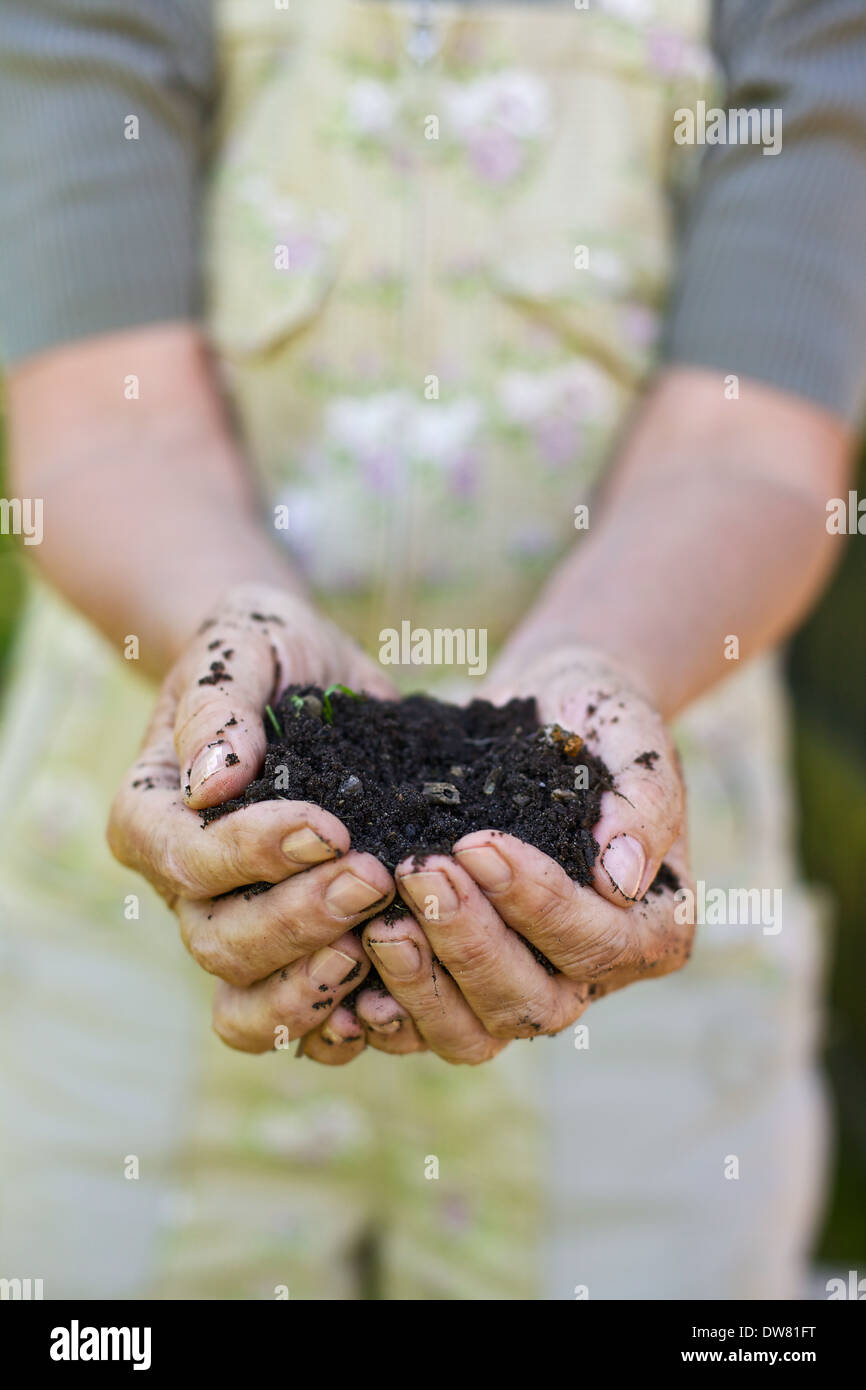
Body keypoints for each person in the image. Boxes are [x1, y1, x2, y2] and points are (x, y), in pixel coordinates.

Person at [0, 0, 863, 1300]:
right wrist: (227, 616)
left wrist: (595, 663)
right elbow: (103, 424)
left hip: (628, 922)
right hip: (139, 918)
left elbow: (751, 440)